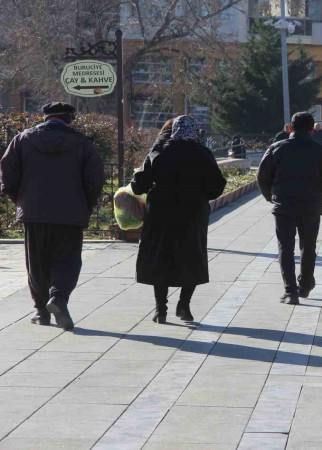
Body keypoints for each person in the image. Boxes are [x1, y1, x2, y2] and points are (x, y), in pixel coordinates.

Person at [0, 102, 105, 330]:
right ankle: (58, 298)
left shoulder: (22, 139)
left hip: (34, 212)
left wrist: (21, 199)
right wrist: (85, 204)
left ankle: (41, 311)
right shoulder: (82, 143)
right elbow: (95, 180)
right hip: (70, 212)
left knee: (37, 263)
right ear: (69, 119)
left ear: (45, 117)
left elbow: (7, 175)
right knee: (68, 259)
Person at [131, 116, 226, 324]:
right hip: (192, 214)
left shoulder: (159, 151)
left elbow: (139, 185)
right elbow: (217, 186)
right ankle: (184, 305)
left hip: (161, 213)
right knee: (191, 256)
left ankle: (160, 310)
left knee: (161, 257)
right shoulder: (203, 153)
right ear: (195, 131)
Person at [258, 112, 322, 305]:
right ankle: (305, 284)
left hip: (284, 206)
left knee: (285, 247)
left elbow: (263, 177)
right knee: (309, 246)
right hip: (311, 206)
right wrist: (321, 196)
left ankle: (290, 292)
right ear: (312, 130)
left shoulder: (276, 148)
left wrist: (271, 197)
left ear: (290, 128)